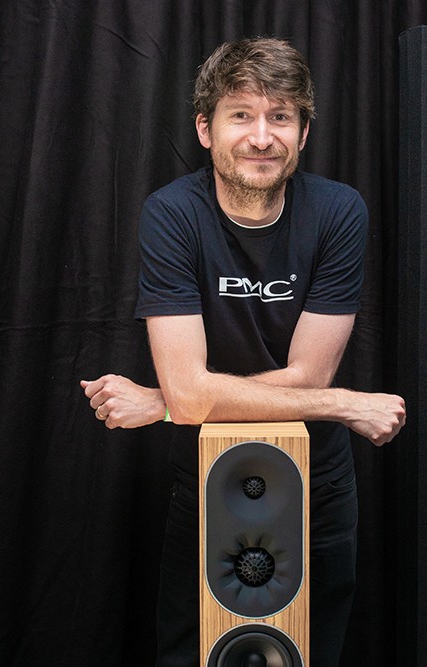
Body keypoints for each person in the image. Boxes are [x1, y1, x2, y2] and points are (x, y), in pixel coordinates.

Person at [80, 37, 405, 666]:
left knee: (306, 653)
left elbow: (304, 374)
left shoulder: (338, 211)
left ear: (303, 132)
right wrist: (342, 404)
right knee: (198, 652)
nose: (261, 137)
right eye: (241, 115)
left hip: (315, 480)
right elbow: (214, 395)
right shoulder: (173, 214)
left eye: (280, 116)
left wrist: (166, 402)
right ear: (205, 129)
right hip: (210, 471)